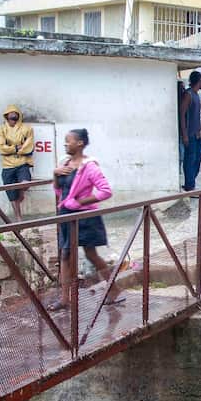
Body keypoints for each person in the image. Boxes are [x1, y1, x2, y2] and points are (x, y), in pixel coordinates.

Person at [50, 128, 121, 310]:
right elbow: (59, 191)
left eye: (69, 141)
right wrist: (55, 174)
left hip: (85, 217)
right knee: (65, 254)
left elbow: (105, 191)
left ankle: (113, 289)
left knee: (91, 254)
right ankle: (65, 298)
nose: (66, 144)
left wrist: (80, 201)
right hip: (67, 215)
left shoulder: (89, 167)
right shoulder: (65, 164)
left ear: (80, 143)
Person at [0, 105, 35, 220]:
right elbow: (1, 148)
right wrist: (16, 148)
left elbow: (28, 146)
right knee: (11, 195)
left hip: (22, 163)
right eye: (10, 118)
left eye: (15, 117)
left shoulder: (27, 128)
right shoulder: (1, 129)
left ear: (19, 117)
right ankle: (18, 218)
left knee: (25, 184)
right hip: (7, 166)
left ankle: (21, 193)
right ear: (6, 117)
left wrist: (14, 149)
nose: (13, 120)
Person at [180, 71, 201, 191]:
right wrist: (184, 134)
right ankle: (189, 185)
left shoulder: (197, 95)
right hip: (190, 134)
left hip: (198, 134)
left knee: (198, 158)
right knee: (190, 159)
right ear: (199, 80)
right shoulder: (188, 94)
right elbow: (182, 114)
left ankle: (191, 181)